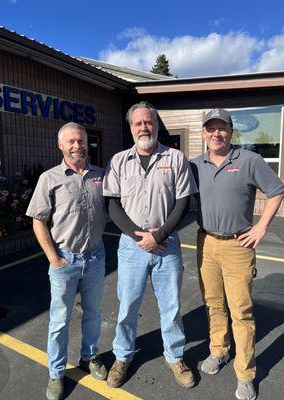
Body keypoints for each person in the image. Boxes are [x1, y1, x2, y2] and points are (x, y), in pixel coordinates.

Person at [190, 108, 284, 400]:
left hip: (238, 246)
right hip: (206, 243)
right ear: (204, 133)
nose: (216, 134)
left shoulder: (249, 160)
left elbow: (276, 191)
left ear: (231, 132)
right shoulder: (194, 165)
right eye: (211, 129)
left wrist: (261, 228)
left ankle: (245, 373)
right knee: (213, 303)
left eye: (222, 128)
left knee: (241, 311)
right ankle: (219, 351)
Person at [103, 101, 197, 389]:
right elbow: (112, 204)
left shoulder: (176, 158)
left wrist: (159, 234)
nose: (144, 127)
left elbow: (184, 202)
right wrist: (139, 236)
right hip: (132, 248)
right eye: (138, 123)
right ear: (131, 127)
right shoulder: (118, 161)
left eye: (149, 122)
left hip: (166, 245)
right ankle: (122, 356)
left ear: (156, 125)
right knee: (127, 306)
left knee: (170, 307)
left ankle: (175, 356)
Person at [26, 122, 108, 400]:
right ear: (60, 145)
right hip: (65, 260)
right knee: (60, 320)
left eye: (81, 141)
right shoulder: (49, 178)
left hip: (95, 256)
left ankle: (90, 356)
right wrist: (54, 259)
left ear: (88, 143)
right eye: (71, 141)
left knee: (94, 314)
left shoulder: (100, 175)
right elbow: (38, 221)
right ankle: (56, 373)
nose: (77, 146)